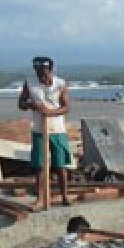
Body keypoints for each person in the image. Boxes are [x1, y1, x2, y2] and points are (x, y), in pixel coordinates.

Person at [18, 55, 74, 206]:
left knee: (61, 165)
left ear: (51, 70)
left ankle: (64, 196)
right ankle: (40, 198)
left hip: (57, 130)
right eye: (39, 73)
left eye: (44, 74)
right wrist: (31, 105)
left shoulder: (60, 84)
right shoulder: (30, 83)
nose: (42, 77)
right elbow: (21, 104)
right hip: (39, 130)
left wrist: (50, 112)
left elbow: (66, 107)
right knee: (40, 166)